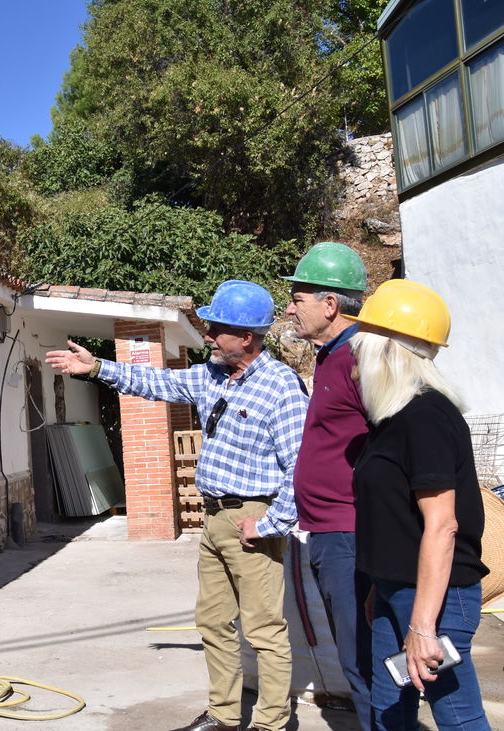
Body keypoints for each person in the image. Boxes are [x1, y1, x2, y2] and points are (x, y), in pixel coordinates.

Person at [46, 279, 308, 731]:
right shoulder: (212, 377)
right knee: (212, 622)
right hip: (214, 519)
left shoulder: (280, 387)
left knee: (264, 629)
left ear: (246, 337)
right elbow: (156, 380)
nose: (207, 336)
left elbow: (300, 469)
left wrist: (269, 525)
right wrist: (97, 369)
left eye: (216, 329)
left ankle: (271, 722)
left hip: (254, 519)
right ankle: (225, 716)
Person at [238, 241, 374, 728]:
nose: (290, 308)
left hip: (349, 531)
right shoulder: (330, 357)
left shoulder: (363, 357)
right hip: (329, 529)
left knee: (364, 658)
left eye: (297, 298)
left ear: (330, 304)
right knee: (356, 650)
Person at [346, 279, 490, 730]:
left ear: (385, 351)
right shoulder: (391, 418)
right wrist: (379, 587)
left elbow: (442, 525)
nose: (353, 366)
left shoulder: (425, 416)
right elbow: (394, 519)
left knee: (457, 717)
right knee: (389, 710)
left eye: (359, 352)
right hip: (396, 591)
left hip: (437, 599)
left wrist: (423, 626)